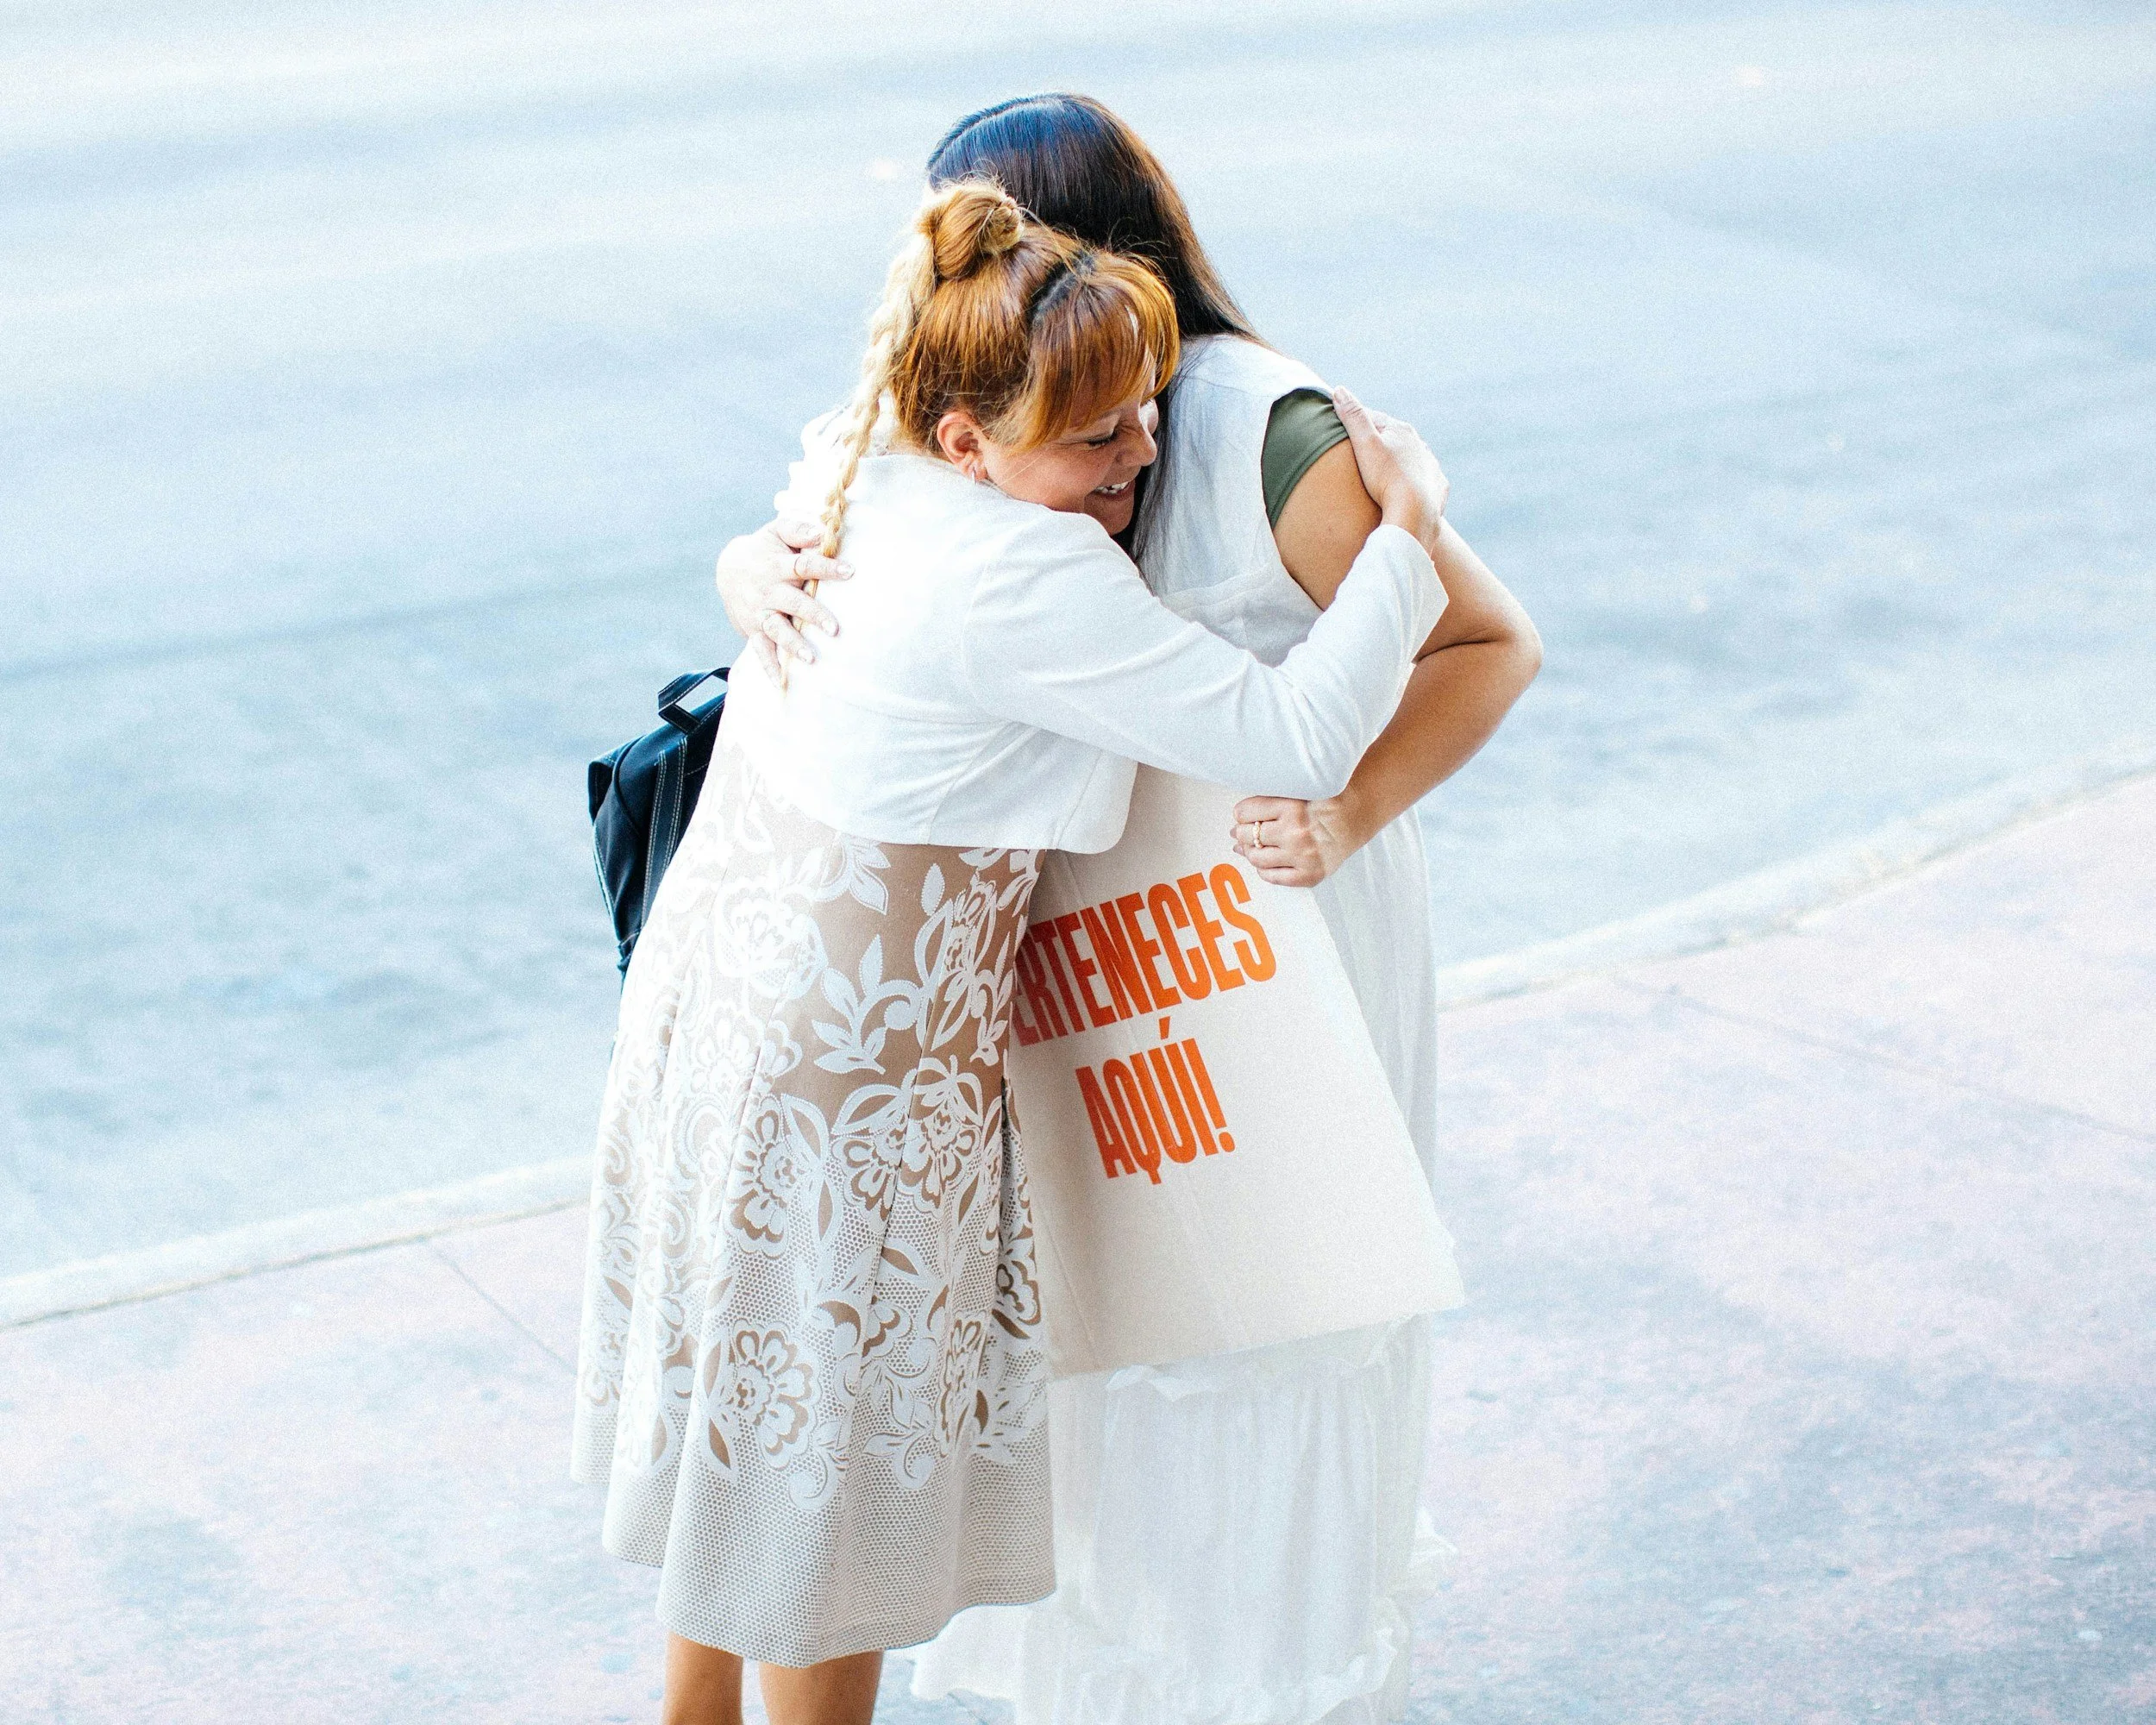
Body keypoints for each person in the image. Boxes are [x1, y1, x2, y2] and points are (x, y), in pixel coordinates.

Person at [578, 178, 1453, 1725]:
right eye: (1092, 436)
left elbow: (779, 537)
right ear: (976, 442)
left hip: (720, 1008)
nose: (1137, 464)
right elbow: (1304, 733)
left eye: (1145, 413)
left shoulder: (875, 443)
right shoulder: (1024, 573)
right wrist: (1415, 531)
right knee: (823, 1510)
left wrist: (736, 564)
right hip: (853, 1086)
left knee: (746, 1440)